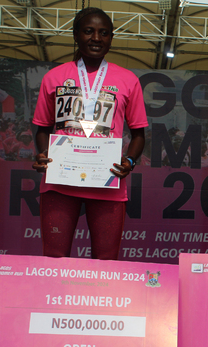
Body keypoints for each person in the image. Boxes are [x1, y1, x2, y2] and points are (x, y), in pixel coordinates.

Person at [32, 7, 147, 260]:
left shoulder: (128, 80)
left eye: (104, 33)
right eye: (88, 31)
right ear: (75, 35)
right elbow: (42, 127)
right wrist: (43, 153)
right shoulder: (54, 78)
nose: (96, 38)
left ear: (111, 39)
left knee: (106, 264)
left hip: (107, 181)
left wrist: (129, 161)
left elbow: (139, 134)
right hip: (60, 181)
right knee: (54, 259)